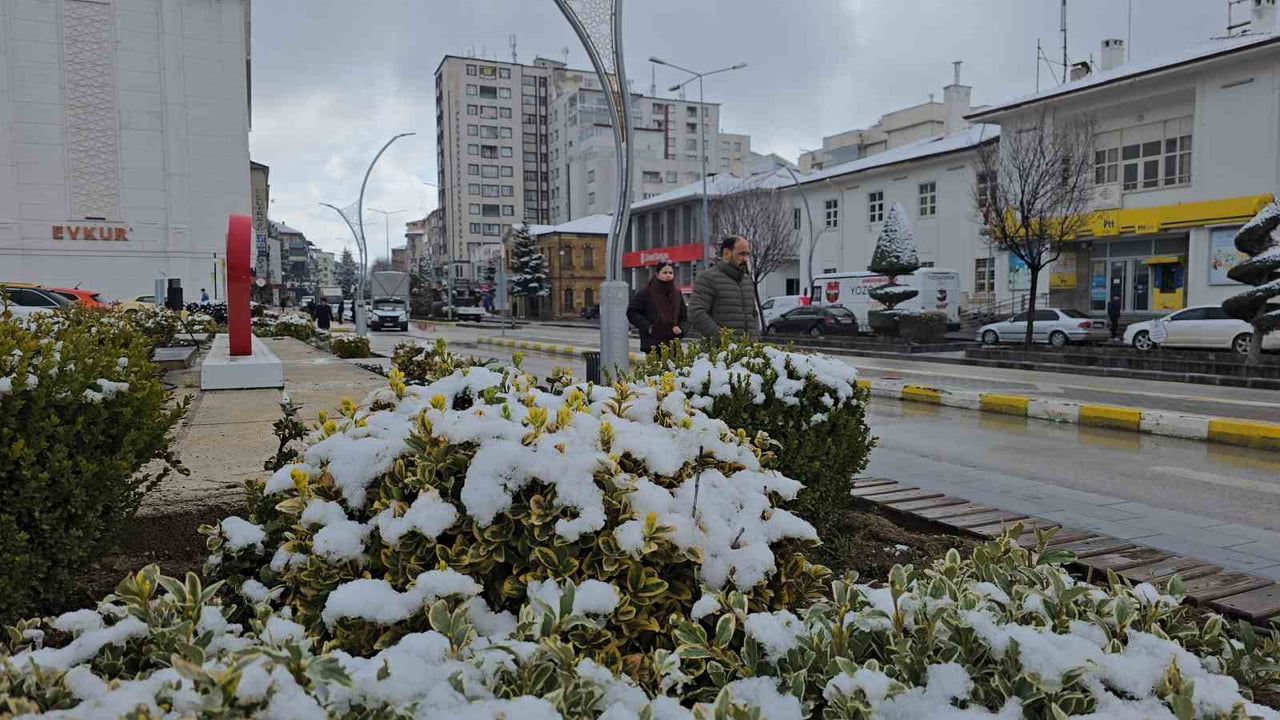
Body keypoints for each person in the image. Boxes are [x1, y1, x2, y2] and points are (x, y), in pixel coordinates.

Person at [688, 235, 758, 338]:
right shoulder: (708, 278)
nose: (745, 259)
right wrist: (722, 338)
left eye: (747, 254)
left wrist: (755, 336)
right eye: (741, 254)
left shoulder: (747, 280)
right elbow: (696, 313)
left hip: (748, 350)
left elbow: (753, 314)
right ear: (726, 253)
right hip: (721, 351)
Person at [626, 261, 688, 352]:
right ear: (657, 274)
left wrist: (681, 329)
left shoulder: (677, 294)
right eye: (665, 272)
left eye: (671, 273)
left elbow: (684, 317)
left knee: (674, 366)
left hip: (673, 344)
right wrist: (648, 327)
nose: (668, 275)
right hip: (652, 344)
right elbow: (632, 311)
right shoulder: (646, 293)